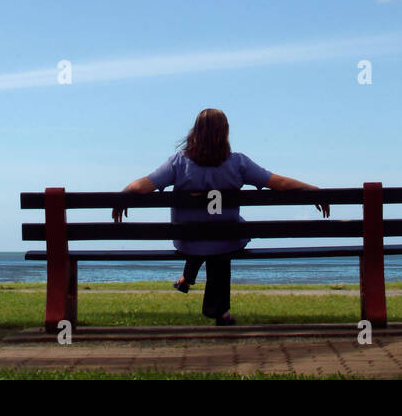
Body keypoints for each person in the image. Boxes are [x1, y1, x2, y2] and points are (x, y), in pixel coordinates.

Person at [111, 108, 329, 325]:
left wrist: (123, 196)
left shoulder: (178, 162)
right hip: (226, 240)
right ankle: (220, 311)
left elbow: (142, 185)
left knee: (204, 232)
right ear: (225, 133)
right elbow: (279, 183)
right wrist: (312, 190)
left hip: (188, 241)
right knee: (221, 242)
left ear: (195, 132)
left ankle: (188, 278)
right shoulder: (239, 163)